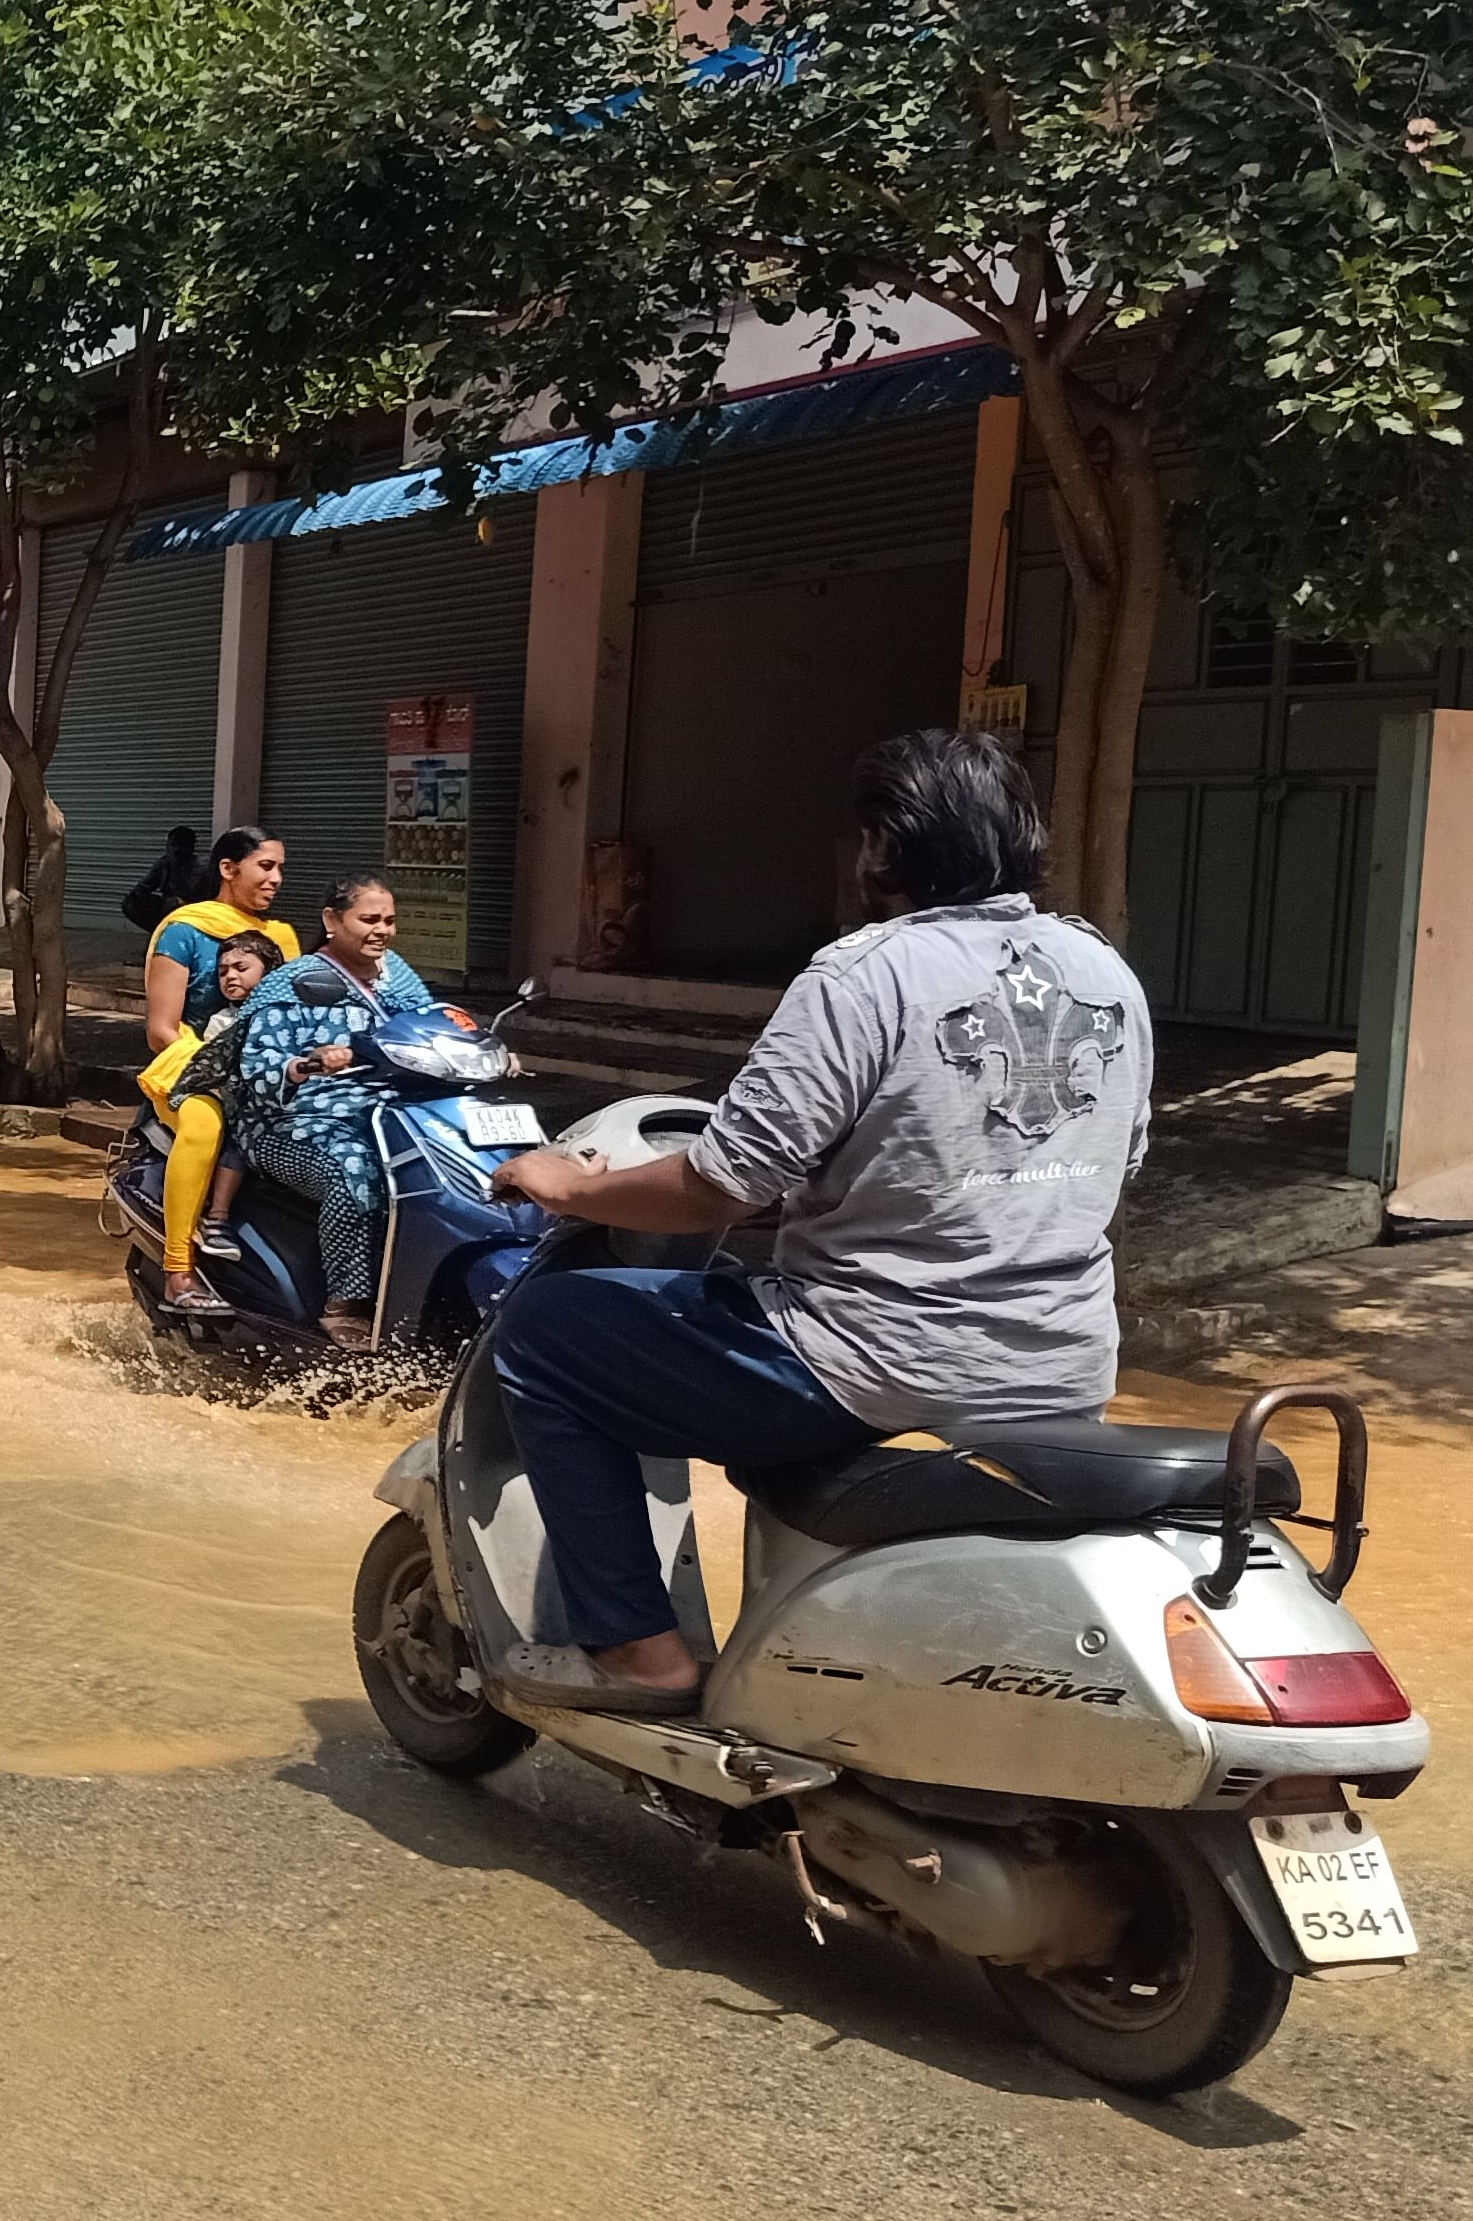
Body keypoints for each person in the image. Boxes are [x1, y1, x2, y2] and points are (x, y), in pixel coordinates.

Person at [483, 731, 1151, 1714]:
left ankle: (636, 1654)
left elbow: (721, 1184)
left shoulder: (861, 975)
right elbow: (1116, 1164)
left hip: (873, 1360)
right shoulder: (1103, 972)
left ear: (883, 846)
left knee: (545, 1336)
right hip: (1061, 1363)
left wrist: (569, 1186)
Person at [227, 874, 436, 1351]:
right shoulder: (289, 985)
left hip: (385, 1113)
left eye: (389, 920)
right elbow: (257, 1068)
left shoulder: (397, 975)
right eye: (368, 919)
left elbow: (431, 1025)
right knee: (353, 1170)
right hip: (287, 1121)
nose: (382, 930)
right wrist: (305, 1063)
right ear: (331, 921)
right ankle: (347, 1302)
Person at [135, 827, 299, 1315]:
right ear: (229, 870)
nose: (276, 880)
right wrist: (220, 1069)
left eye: (280, 869)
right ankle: (179, 1272)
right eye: (265, 867)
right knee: (206, 1128)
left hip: (268, 1069)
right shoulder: (184, 930)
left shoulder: (283, 938)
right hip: (193, 1070)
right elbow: (161, 1030)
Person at [123, 824, 212, 930]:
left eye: (181, 846)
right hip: (167, 907)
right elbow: (143, 887)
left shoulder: (201, 868)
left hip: (192, 911)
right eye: (172, 845)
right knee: (129, 902)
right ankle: (159, 930)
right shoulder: (164, 864)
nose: (176, 850)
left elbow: (205, 898)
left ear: (191, 847)